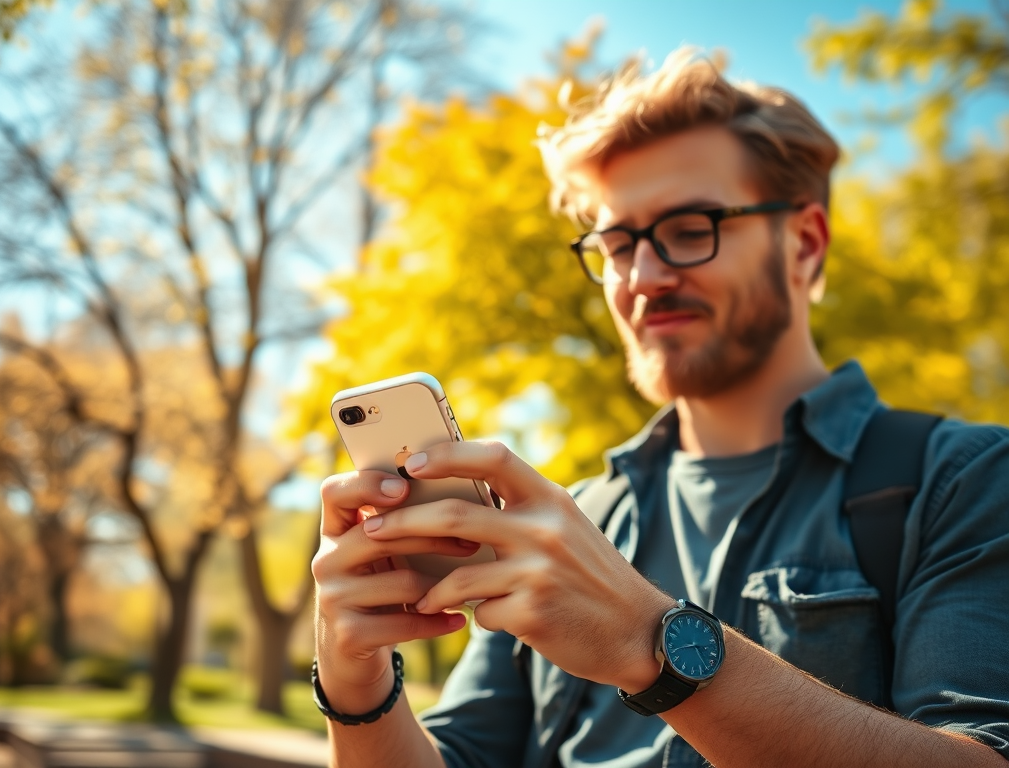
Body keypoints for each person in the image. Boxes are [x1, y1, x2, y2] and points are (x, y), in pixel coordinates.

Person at [311, 48, 1009, 767]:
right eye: (617, 243)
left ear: (803, 243)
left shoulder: (961, 481)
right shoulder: (574, 519)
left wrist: (651, 642)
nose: (642, 276)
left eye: (690, 228)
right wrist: (355, 682)